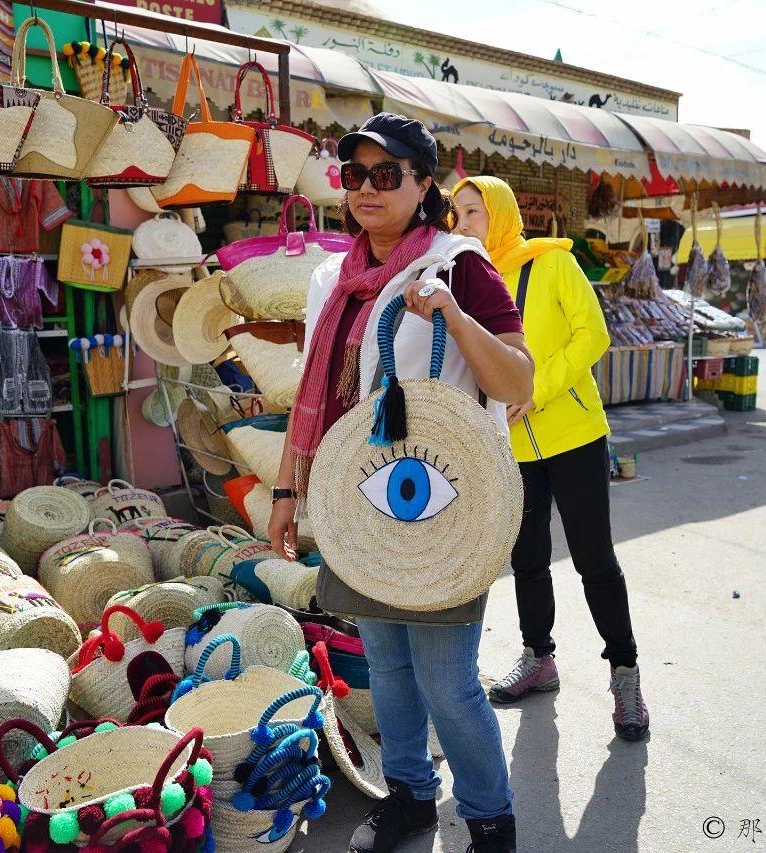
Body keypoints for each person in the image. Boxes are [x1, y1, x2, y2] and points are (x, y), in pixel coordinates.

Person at [268, 113, 534, 853]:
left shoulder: (460, 264)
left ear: (425, 185)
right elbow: (312, 396)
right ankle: (411, 796)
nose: (367, 189)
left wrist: (452, 311)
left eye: (388, 174)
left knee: (448, 680)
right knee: (386, 667)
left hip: (440, 497)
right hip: (358, 498)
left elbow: (518, 378)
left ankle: (489, 816)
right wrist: (288, 493)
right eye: (354, 175)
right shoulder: (333, 276)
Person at [451, 177, 649, 741]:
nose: (462, 223)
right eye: (456, 214)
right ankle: (539, 658)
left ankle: (625, 672)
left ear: (502, 214)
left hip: (575, 434)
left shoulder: (554, 265)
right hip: (508, 444)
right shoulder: (462, 284)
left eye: (474, 211)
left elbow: (593, 337)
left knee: (595, 560)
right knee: (528, 558)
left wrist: (536, 390)